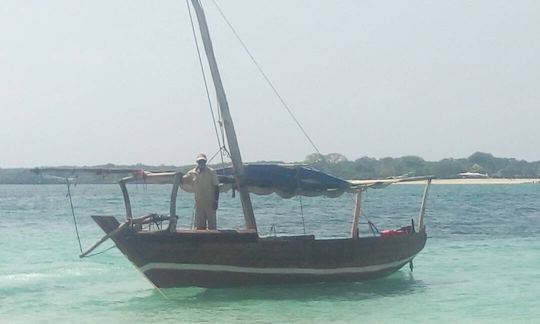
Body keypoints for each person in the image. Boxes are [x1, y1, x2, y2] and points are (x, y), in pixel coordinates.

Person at [182, 153, 219, 230]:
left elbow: (216, 187)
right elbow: (183, 180)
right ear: (197, 162)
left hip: (210, 202)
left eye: (203, 161)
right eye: (200, 161)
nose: (201, 163)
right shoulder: (191, 173)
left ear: (205, 162)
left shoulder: (212, 172)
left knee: (212, 226)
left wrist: (216, 201)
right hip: (199, 203)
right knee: (199, 227)